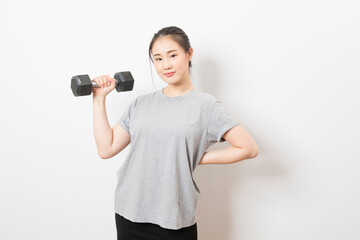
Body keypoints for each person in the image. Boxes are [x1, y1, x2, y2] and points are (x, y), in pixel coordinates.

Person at [92, 26, 258, 240]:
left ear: (189, 54)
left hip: (174, 219)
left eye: (172, 55)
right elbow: (106, 148)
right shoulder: (142, 103)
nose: (166, 65)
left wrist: (196, 156)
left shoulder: (205, 106)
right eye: (158, 59)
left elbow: (248, 148)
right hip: (129, 212)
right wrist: (99, 99)